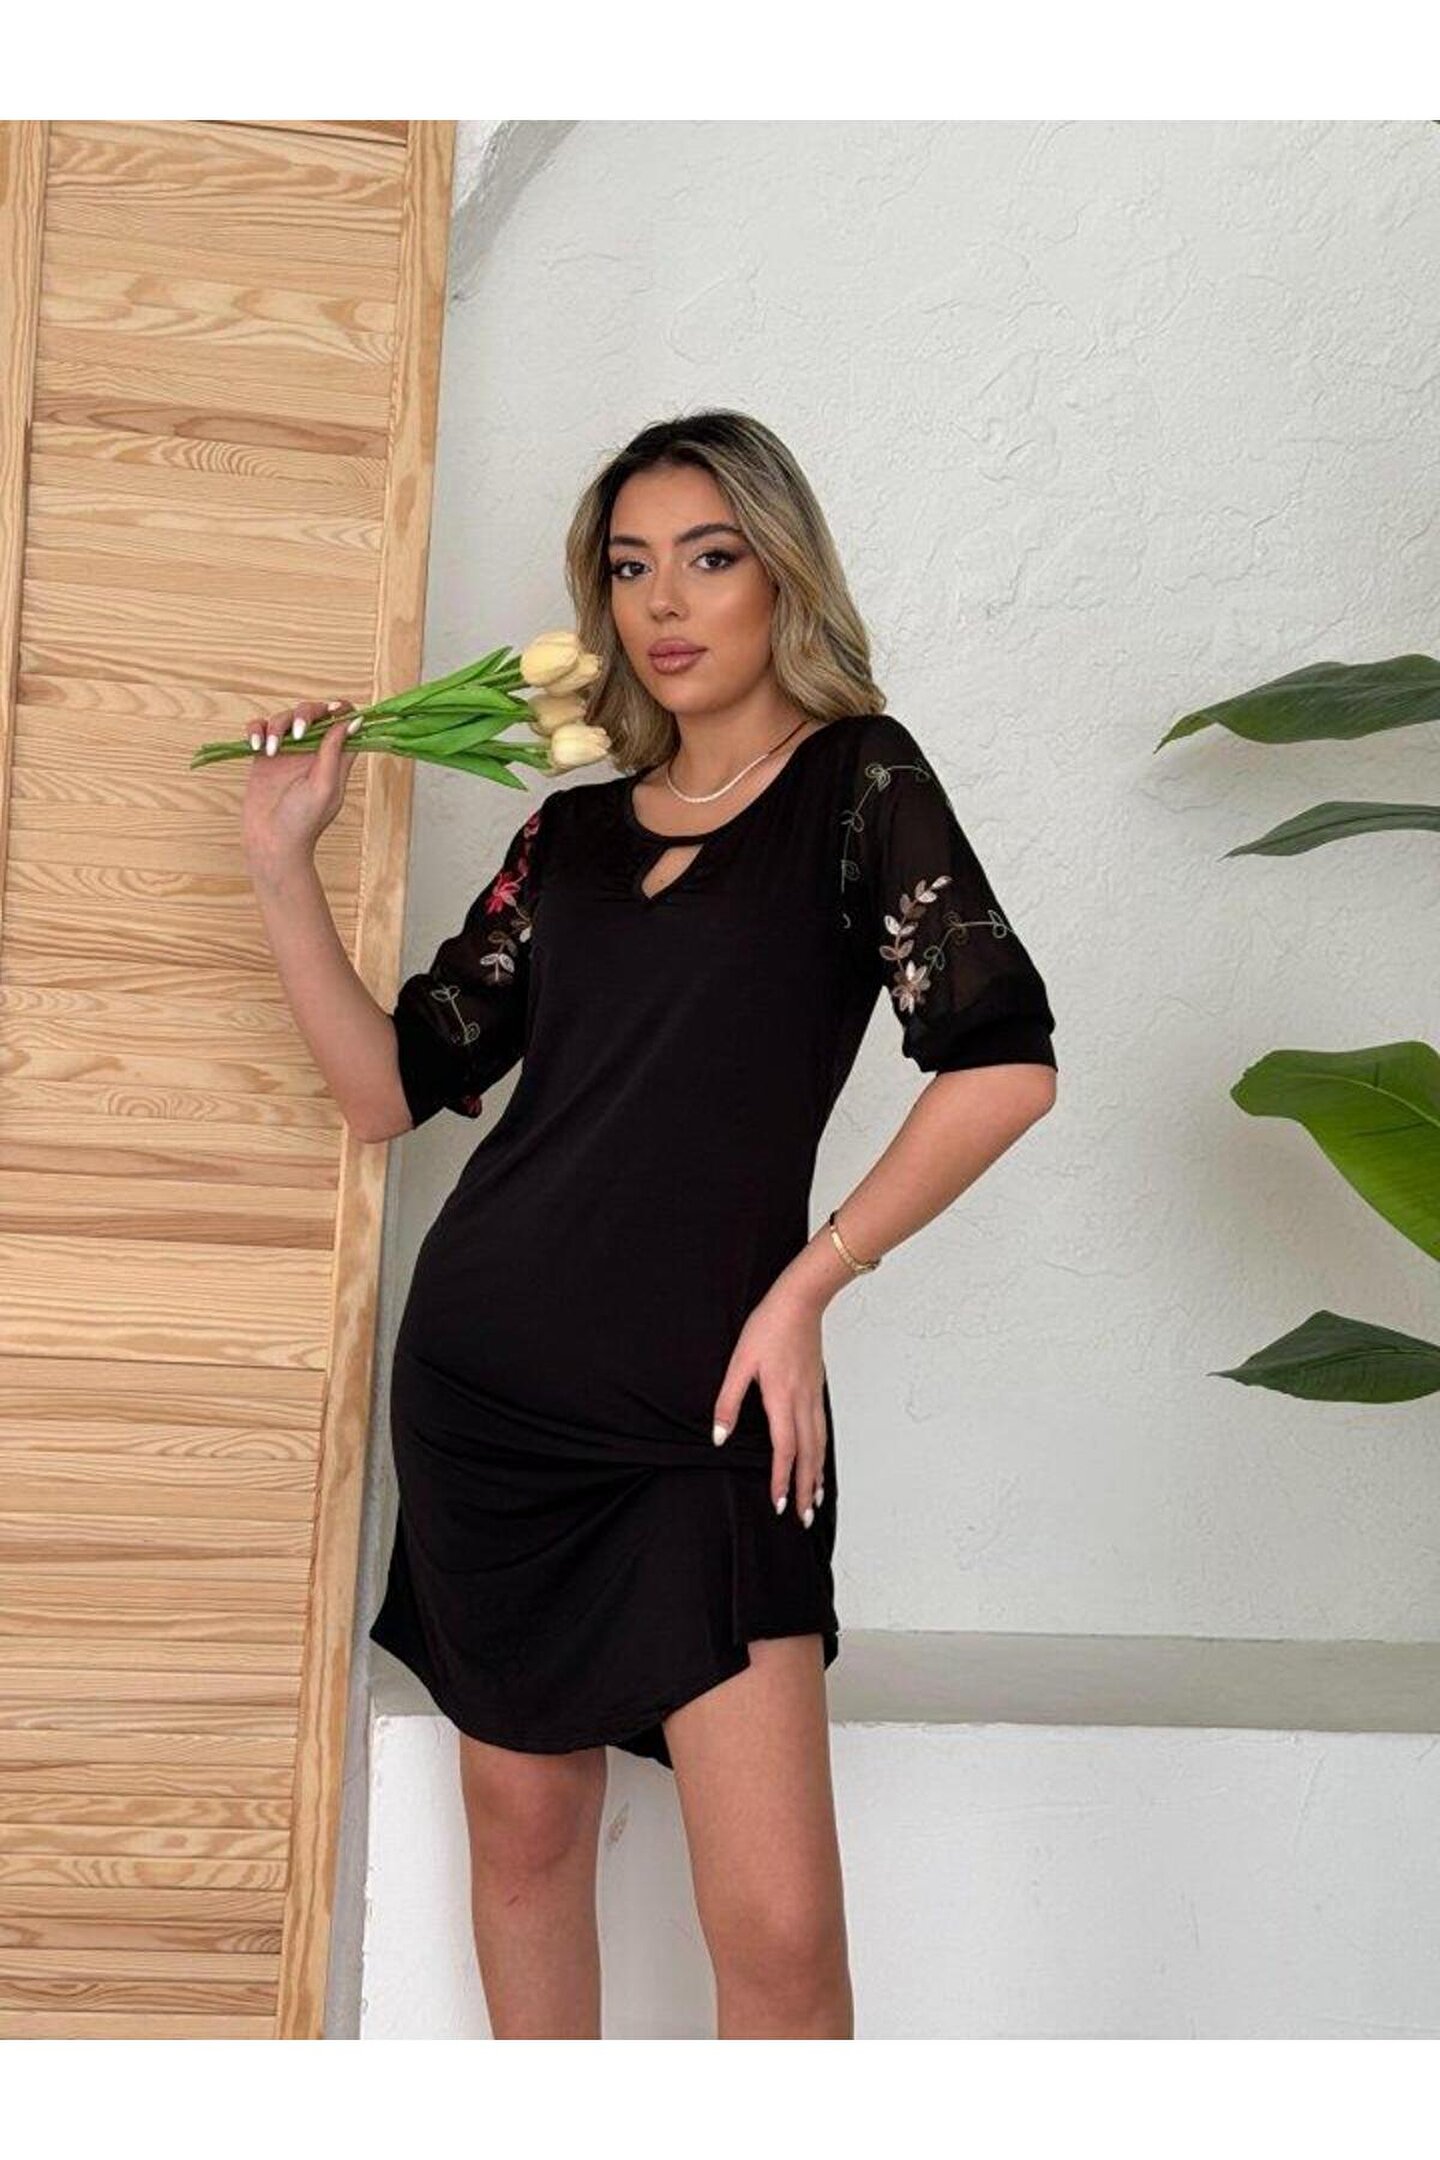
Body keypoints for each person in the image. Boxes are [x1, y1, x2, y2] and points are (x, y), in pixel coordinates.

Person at [243, 409, 1058, 2041]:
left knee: (782, 1944)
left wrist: (808, 1288)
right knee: (527, 1845)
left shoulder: (858, 784)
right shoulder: (572, 836)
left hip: (706, 1415)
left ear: (781, 576)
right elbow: (391, 1088)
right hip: (489, 1400)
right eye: (629, 568)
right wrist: (281, 865)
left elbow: (1003, 1066)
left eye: (710, 557)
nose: (665, 603)